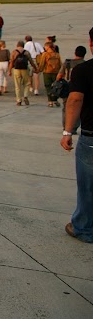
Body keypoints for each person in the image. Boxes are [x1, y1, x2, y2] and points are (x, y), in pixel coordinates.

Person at [60, 26, 93, 243]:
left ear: (91, 44)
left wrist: (67, 131)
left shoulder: (83, 70)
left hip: (91, 138)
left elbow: (75, 100)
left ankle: (84, 228)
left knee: (88, 185)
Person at [58, 46, 87, 131]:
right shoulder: (85, 65)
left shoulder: (67, 63)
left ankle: (65, 126)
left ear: (75, 53)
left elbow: (59, 76)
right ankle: (74, 127)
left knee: (66, 108)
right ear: (84, 54)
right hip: (81, 90)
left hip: (67, 88)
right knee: (78, 108)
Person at [9, 40, 38, 106]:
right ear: (23, 45)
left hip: (16, 69)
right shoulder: (26, 52)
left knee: (17, 85)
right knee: (26, 83)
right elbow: (31, 61)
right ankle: (25, 96)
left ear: (17, 45)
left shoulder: (14, 52)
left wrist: (10, 70)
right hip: (25, 69)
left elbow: (11, 62)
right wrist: (35, 68)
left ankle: (19, 100)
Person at [39, 41, 63, 107]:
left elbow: (42, 64)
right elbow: (61, 64)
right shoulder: (57, 54)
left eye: (45, 47)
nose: (45, 48)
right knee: (55, 87)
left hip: (47, 72)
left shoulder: (45, 54)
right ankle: (55, 100)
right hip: (55, 72)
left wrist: (39, 70)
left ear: (48, 47)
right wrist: (61, 72)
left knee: (48, 87)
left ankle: (50, 101)